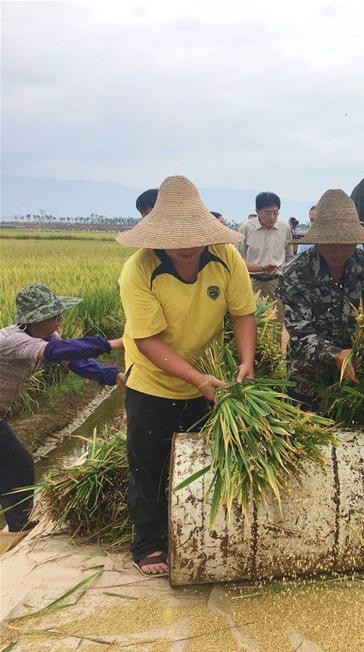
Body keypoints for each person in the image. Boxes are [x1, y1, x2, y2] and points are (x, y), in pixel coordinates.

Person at [117, 175, 257, 577]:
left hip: (207, 378)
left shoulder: (225, 257)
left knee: (202, 461)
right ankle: (148, 542)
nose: (188, 245)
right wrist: (195, 379)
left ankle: (199, 531)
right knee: (150, 462)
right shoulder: (139, 269)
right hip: (151, 380)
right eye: (177, 238)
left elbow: (242, 312)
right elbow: (146, 340)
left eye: (194, 235)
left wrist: (245, 361)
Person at [1, 285, 124, 532]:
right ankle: (19, 524)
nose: (61, 318)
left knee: (13, 464)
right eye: (55, 314)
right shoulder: (13, 339)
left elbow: (74, 360)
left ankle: (17, 523)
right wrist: (113, 344)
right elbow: (59, 351)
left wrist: (114, 376)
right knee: (19, 464)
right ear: (37, 318)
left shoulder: (47, 337)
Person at [278, 189, 364, 411]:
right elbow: (301, 333)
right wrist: (336, 355)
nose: (338, 251)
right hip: (308, 381)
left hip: (359, 380)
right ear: (318, 240)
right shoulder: (295, 273)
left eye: (345, 243)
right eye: (330, 243)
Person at [237, 192, 293, 325]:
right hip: (251, 283)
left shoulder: (284, 228)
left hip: (276, 283)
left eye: (275, 212)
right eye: (267, 213)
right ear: (257, 211)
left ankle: (276, 346)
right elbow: (237, 261)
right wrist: (261, 267)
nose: (272, 217)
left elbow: (289, 257)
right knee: (251, 322)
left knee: (276, 323)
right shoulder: (246, 228)